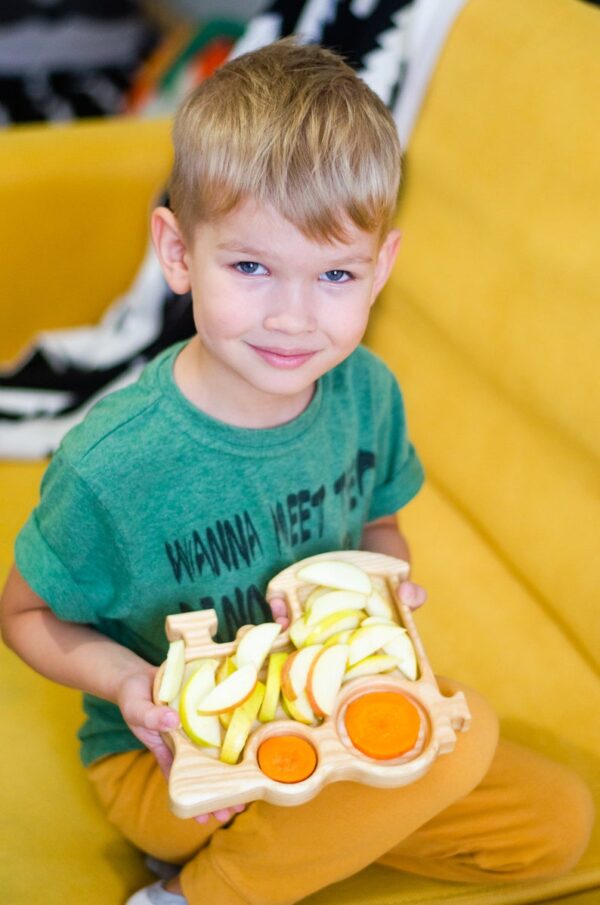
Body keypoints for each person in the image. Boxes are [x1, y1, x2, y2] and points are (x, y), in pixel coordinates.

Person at [0, 39, 593, 905]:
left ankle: (302, 835)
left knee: (556, 823)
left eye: (335, 274)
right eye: (250, 266)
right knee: (465, 739)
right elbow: (25, 612)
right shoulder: (113, 462)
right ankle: (204, 892)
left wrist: (387, 588)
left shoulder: (367, 394)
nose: (292, 316)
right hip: (176, 759)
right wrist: (128, 682)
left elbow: (382, 522)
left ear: (380, 268)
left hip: (329, 718)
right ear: (177, 252)